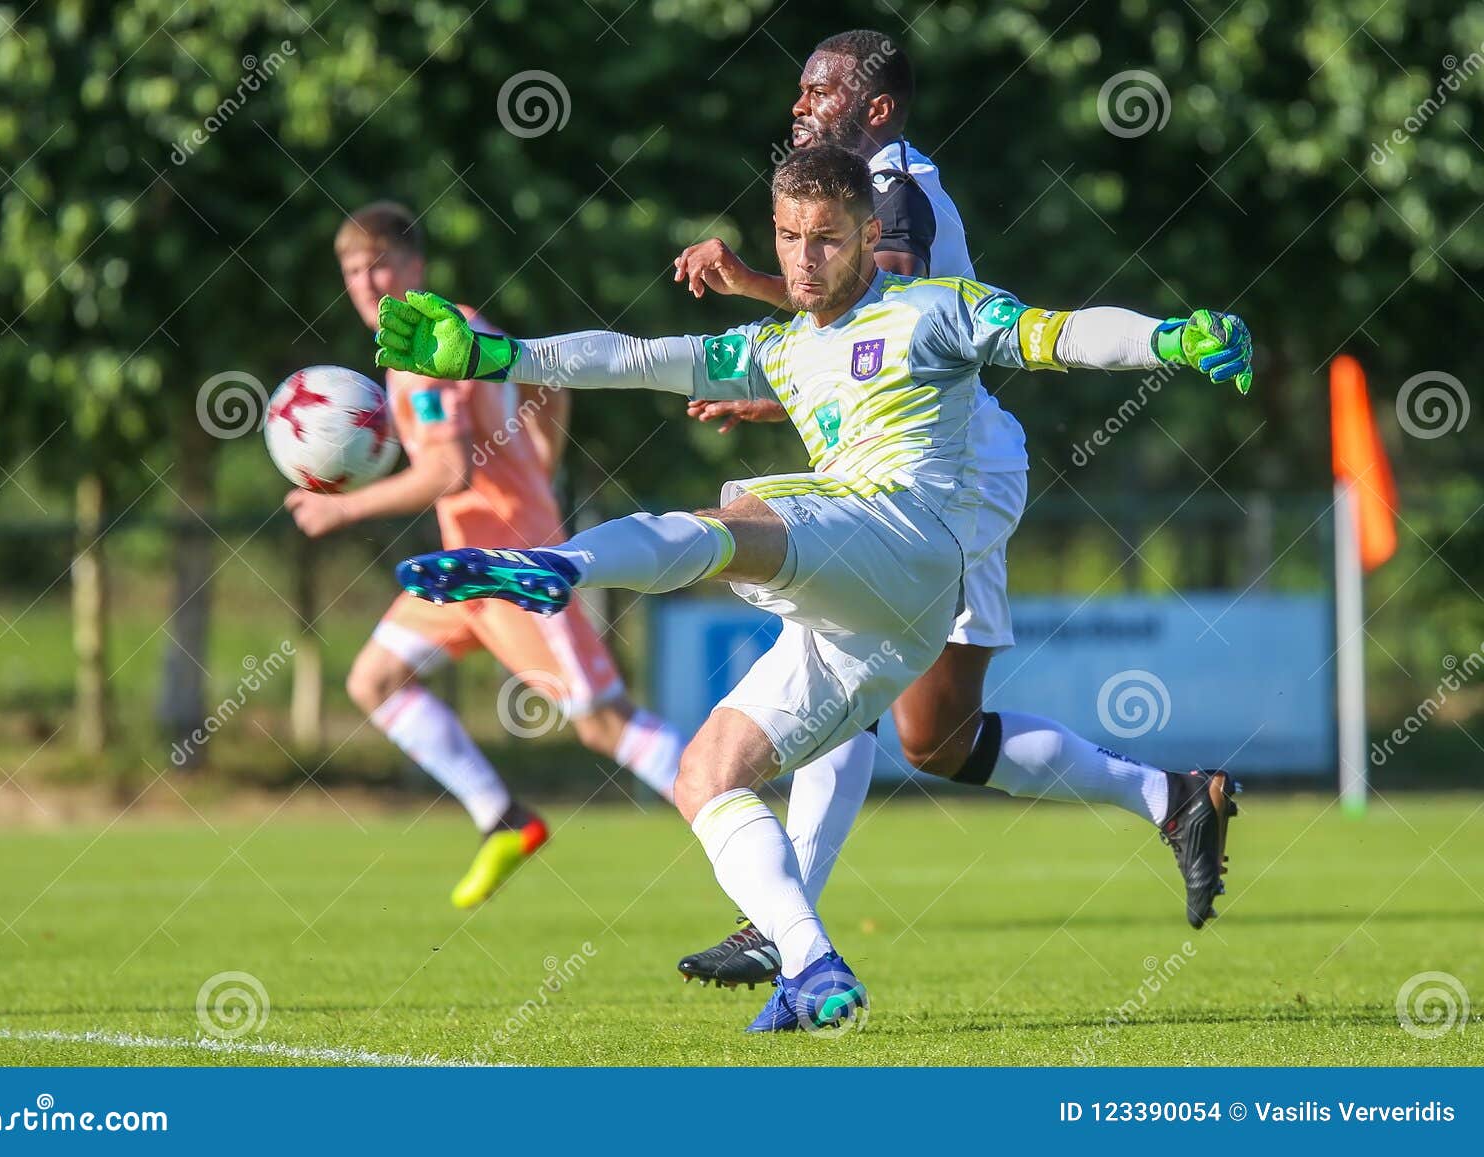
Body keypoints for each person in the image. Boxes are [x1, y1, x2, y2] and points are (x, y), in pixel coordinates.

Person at [373, 146, 1253, 1031]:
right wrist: (499, 354)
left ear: (872, 236)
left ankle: (559, 566)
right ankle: (810, 964)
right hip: (880, 620)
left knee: (742, 520)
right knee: (706, 776)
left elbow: (1058, 334)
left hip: (908, 536)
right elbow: (639, 355)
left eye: (825, 239)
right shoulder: (780, 347)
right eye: (789, 237)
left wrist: (1167, 339)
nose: (802, 259)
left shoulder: (931, 310)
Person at [670, 29, 1243, 990]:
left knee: (848, 660)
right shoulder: (863, 190)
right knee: (935, 737)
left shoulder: (895, 191)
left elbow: (880, 315)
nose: (801, 103)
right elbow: (856, 342)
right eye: (799, 88)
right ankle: (1173, 793)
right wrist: (778, 382)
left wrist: (746, 286)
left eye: (822, 90)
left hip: (949, 475)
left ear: (878, 109)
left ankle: (782, 927)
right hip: (918, 464)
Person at [284, 201, 685, 909]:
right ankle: (504, 818)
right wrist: (538, 456)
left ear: (415, 266)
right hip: (461, 571)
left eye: (380, 262)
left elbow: (447, 473)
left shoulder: (422, 357)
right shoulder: (467, 326)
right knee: (374, 680)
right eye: (353, 268)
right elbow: (546, 382)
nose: (367, 280)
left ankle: (732, 812)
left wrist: (340, 506)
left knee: (604, 720)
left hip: (510, 568)